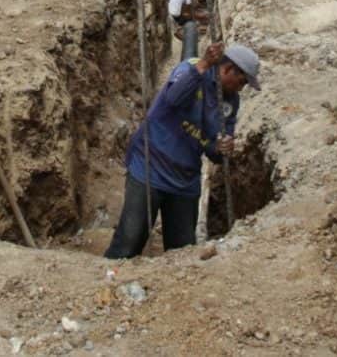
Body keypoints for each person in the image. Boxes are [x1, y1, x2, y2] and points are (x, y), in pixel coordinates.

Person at [104, 42, 261, 259]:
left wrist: (221, 147)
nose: (241, 88)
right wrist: (204, 64)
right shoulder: (191, 69)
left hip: (184, 178)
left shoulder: (231, 102)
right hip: (150, 165)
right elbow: (173, 99)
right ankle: (110, 282)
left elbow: (214, 153)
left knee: (183, 252)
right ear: (227, 70)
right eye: (241, 81)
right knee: (128, 242)